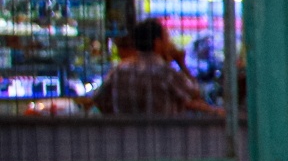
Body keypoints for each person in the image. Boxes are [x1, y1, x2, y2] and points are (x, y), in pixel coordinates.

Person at [91, 18, 222, 117]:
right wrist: (181, 63)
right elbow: (195, 93)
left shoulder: (119, 70)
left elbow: (99, 100)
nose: (170, 43)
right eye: (167, 38)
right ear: (157, 43)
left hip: (127, 141)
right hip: (163, 141)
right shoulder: (166, 73)